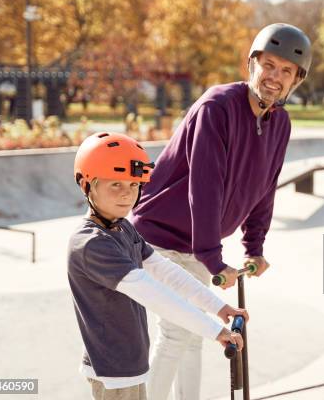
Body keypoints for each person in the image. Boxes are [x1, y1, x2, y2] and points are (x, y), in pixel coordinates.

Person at [130, 23, 312, 400]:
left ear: (296, 79)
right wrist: (214, 260)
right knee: (178, 332)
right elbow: (204, 187)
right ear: (253, 63)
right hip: (158, 238)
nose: (274, 77)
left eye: (286, 71)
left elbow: (265, 186)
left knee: (194, 334)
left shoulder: (279, 123)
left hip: (193, 244)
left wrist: (254, 248)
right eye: (269, 64)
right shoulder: (218, 107)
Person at [68, 132, 247, 400]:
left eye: (133, 184)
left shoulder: (121, 228)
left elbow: (165, 270)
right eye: (114, 184)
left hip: (131, 365)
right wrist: (215, 331)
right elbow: (155, 294)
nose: (126, 194)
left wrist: (219, 307)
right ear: (86, 185)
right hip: (113, 372)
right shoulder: (92, 243)